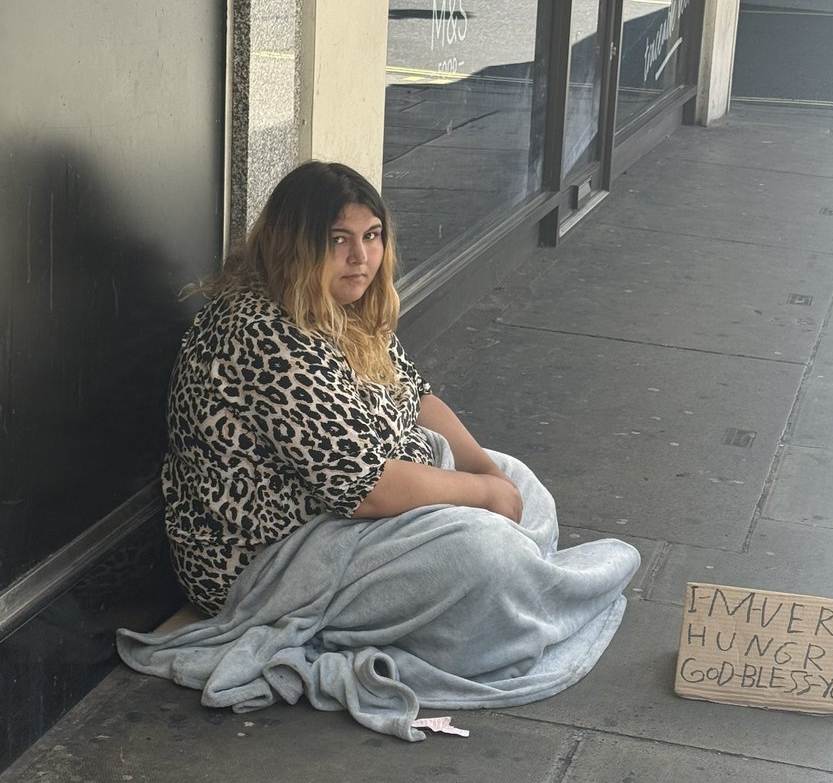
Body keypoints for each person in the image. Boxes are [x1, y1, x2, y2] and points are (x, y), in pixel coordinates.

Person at [119, 161, 639, 740]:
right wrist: (481, 497)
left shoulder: (337, 303)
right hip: (270, 559)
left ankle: (499, 594)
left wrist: (488, 473)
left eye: (371, 237)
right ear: (295, 245)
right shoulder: (264, 331)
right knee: (482, 550)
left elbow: (413, 394)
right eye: (338, 240)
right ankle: (502, 594)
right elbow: (363, 488)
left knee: (520, 481)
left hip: (357, 503)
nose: (360, 257)